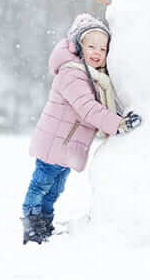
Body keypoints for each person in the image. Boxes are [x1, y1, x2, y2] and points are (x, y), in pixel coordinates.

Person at [21, 13, 142, 245]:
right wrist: (119, 124)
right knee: (41, 185)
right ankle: (32, 225)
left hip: (65, 144)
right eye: (91, 47)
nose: (97, 53)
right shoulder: (72, 73)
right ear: (79, 47)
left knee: (55, 188)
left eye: (103, 49)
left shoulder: (93, 76)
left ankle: (45, 223)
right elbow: (88, 108)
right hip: (54, 143)